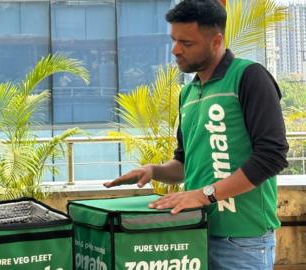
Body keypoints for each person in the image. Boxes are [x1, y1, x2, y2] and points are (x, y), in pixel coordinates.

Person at [104, 0, 288, 269]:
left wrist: (205, 195)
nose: (176, 50)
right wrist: (154, 170)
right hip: (194, 233)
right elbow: (184, 164)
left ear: (216, 41)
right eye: (174, 40)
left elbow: (272, 156)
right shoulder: (188, 94)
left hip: (243, 240)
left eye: (187, 43)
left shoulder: (249, 76)